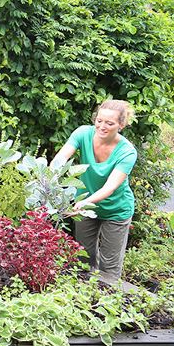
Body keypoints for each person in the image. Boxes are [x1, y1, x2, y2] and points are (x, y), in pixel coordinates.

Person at [52, 99, 138, 283]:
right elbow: (60, 159)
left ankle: (108, 299)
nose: (102, 126)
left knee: (109, 268)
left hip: (116, 210)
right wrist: (49, 178)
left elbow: (110, 187)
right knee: (83, 258)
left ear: (121, 125)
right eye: (99, 121)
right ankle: (83, 296)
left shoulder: (127, 152)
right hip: (84, 207)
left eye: (109, 123)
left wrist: (84, 202)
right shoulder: (83, 133)